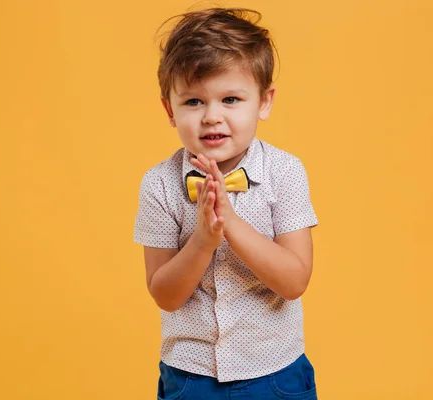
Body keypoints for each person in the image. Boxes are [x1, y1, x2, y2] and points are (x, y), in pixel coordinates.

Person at [133, 7, 319, 399]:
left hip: (274, 372)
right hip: (190, 375)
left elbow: (294, 281)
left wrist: (230, 222)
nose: (212, 117)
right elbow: (164, 295)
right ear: (170, 109)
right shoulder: (159, 185)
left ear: (263, 103)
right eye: (194, 102)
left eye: (230, 99)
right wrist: (202, 240)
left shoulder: (284, 172)